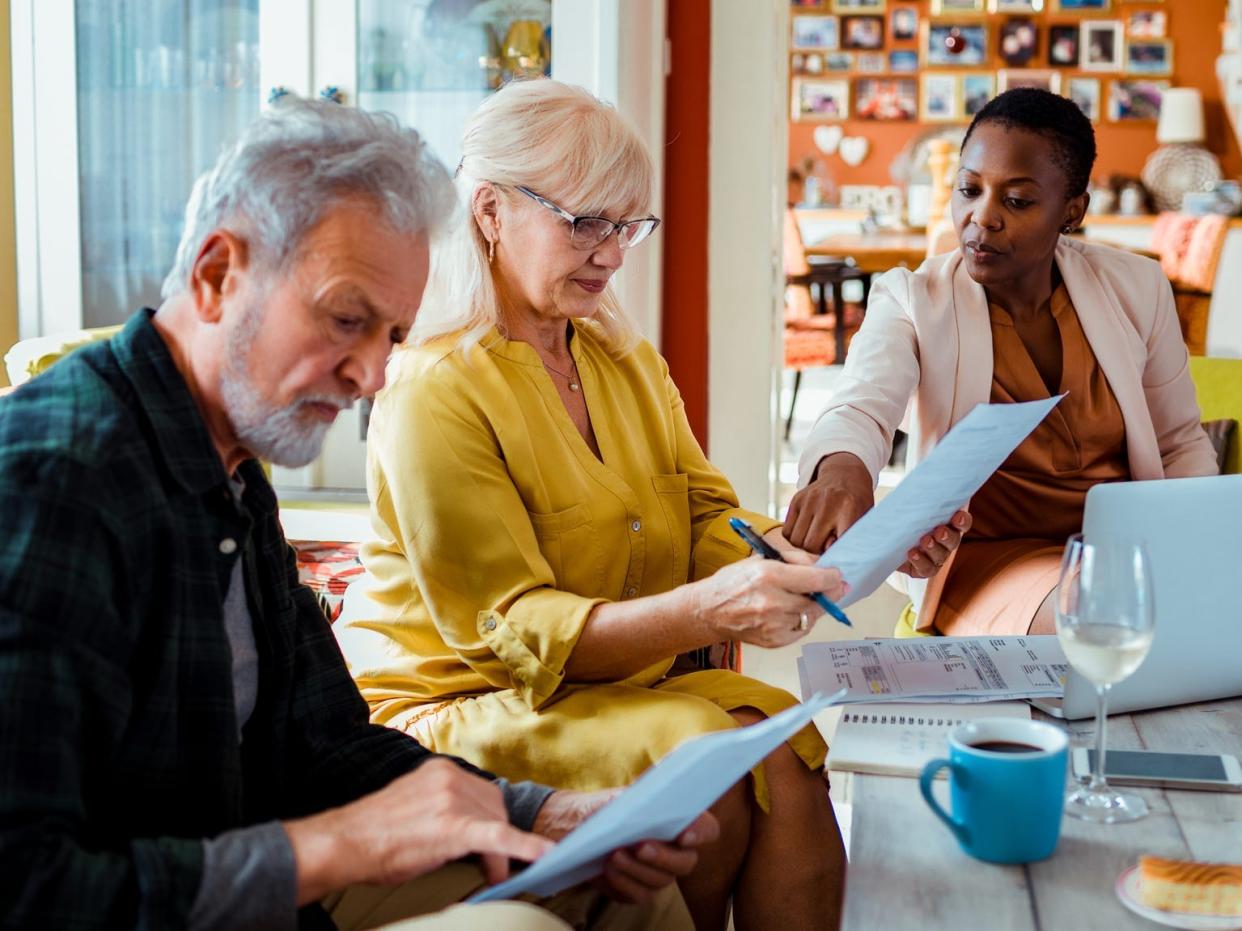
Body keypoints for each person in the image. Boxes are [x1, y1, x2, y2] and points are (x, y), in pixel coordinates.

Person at [0, 98, 716, 931]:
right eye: (346, 319)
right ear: (217, 274)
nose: (374, 374)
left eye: (393, 333)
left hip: (257, 879)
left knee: (621, 882)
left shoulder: (232, 467)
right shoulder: (52, 486)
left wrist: (531, 809)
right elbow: (24, 887)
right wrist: (333, 850)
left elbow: (326, 743)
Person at [335, 78, 953, 931]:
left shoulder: (621, 358)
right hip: (465, 702)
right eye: (586, 222)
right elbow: (516, 634)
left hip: (606, 688)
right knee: (708, 769)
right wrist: (708, 610)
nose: (614, 253)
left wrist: (818, 554)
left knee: (785, 753)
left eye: (627, 224)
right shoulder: (437, 389)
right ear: (488, 212)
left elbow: (708, 515)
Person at [785, 88, 1217, 638]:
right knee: (1102, 618)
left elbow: (1179, 441)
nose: (981, 218)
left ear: (1072, 210)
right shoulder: (913, 299)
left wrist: (1198, 545)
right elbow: (860, 407)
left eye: (1016, 201)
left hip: (1128, 552)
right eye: (969, 189)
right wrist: (842, 472)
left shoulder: (1136, 287)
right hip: (989, 561)